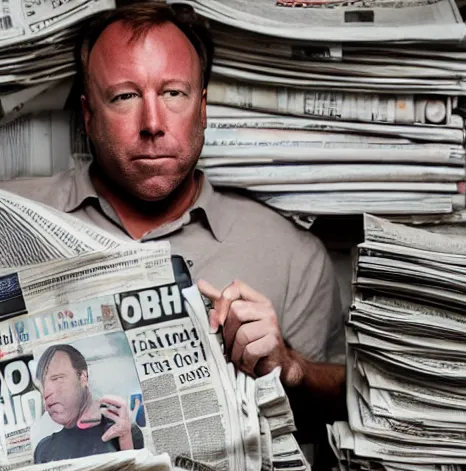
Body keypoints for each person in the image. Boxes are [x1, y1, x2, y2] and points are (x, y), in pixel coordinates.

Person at [1, 2, 346, 432]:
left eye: (173, 94)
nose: (152, 123)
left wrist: (290, 366)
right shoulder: (9, 216)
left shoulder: (294, 258)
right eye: (125, 96)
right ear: (88, 116)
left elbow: (334, 423)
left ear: (201, 108)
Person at [33, 344, 144, 464]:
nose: (47, 393)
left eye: (57, 379)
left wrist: (125, 439)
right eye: (43, 385)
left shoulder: (122, 431)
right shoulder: (44, 450)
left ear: (83, 377)